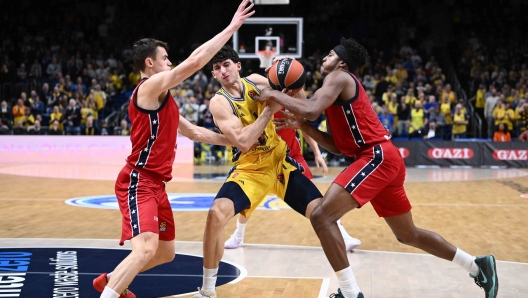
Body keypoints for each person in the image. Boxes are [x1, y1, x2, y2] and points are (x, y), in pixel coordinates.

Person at [257, 38, 498, 298]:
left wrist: (274, 93)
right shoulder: (337, 88)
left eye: (330, 54)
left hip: (376, 157)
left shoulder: (339, 77)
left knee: (322, 216)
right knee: (408, 234)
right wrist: (303, 127)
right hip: (385, 158)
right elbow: (338, 147)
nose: (325, 58)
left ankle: (350, 293)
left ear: (342, 62)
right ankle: (476, 266)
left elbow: (313, 109)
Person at [91, 2, 255, 298]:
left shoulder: (163, 100)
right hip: (139, 181)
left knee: (165, 253)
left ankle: (111, 280)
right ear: (150, 64)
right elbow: (193, 64)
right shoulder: (148, 88)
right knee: (146, 249)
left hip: (157, 185)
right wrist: (231, 29)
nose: (170, 62)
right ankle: (110, 293)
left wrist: (237, 140)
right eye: (165, 58)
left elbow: (194, 131)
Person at [193, 45, 345, 298]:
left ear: (238, 66)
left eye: (227, 64)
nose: (223, 70)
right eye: (217, 68)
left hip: (279, 162)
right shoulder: (219, 102)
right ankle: (208, 290)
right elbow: (242, 141)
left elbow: (301, 100)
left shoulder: (258, 81)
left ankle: (350, 289)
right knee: (215, 214)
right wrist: (268, 111)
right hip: (250, 169)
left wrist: (289, 76)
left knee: (324, 215)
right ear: (214, 74)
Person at [224, 107, 361, 251]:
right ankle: (238, 235)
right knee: (248, 203)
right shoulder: (257, 105)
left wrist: (317, 152)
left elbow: (304, 128)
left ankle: (344, 237)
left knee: (316, 199)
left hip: (292, 157)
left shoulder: (289, 104)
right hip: (264, 161)